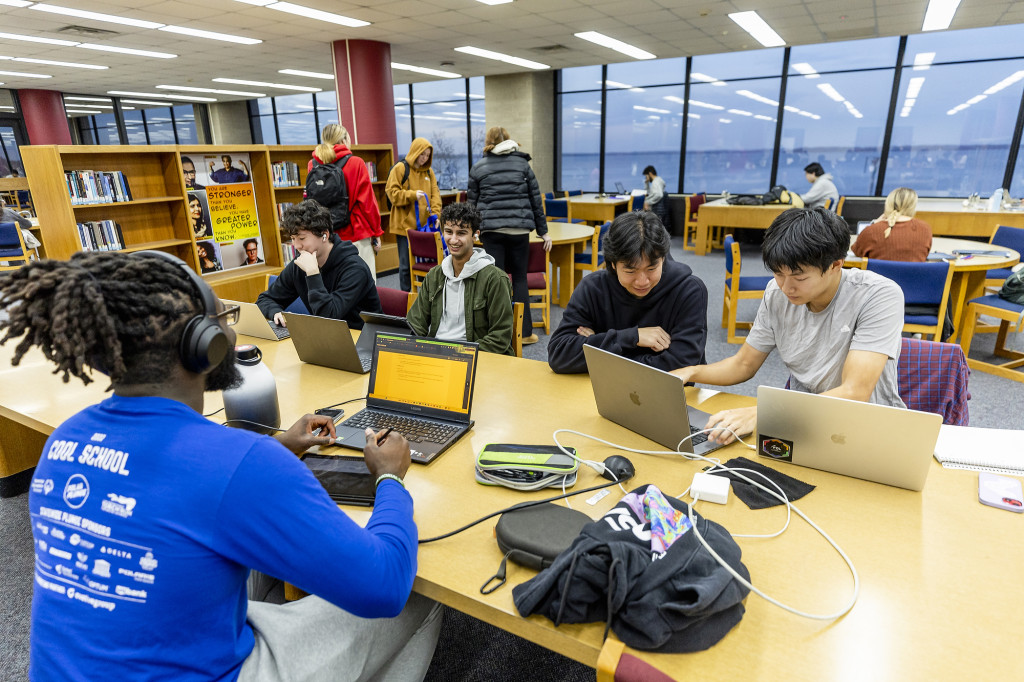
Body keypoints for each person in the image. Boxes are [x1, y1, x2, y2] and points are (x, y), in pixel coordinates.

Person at [0, 250, 441, 681]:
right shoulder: (238, 462)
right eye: (223, 320)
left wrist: (281, 447)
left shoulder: (65, 439)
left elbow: (179, 500)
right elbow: (383, 584)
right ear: (203, 345)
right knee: (417, 586)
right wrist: (389, 478)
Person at [671, 208, 905, 445]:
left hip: (864, 427)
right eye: (778, 273)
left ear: (836, 265)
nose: (786, 287)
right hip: (797, 423)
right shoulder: (776, 292)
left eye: (799, 278)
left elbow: (854, 392)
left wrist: (765, 413)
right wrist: (691, 371)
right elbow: (743, 364)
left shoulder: (877, 295)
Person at [548, 211, 708, 374]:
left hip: (668, 395)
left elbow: (685, 368)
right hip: (601, 391)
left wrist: (598, 347)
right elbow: (559, 355)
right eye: (630, 271)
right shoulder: (593, 288)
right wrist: (630, 337)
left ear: (663, 259)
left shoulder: (689, 291)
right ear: (612, 264)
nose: (642, 281)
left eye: (651, 268)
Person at [468, 126, 551, 345]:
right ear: (509, 140)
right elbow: (535, 199)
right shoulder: (523, 165)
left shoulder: (478, 167)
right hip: (519, 231)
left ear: (489, 142)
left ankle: (500, 334)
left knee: (497, 282)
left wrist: (470, 230)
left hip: (491, 232)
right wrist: (543, 232)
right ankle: (524, 334)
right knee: (520, 279)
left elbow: (471, 204)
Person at [407, 202, 514, 355]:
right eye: (449, 232)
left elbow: (500, 337)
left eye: (461, 233)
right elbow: (415, 324)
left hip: (475, 356)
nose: (453, 239)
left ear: (475, 235)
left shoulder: (495, 279)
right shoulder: (434, 276)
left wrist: (459, 353)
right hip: (437, 353)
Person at [257, 199, 381, 329]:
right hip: (330, 337)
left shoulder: (354, 269)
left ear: (324, 235)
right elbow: (265, 299)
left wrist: (313, 274)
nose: (297, 246)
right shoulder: (300, 263)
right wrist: (275, 312)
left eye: (302, 238)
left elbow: (329, 317)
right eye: (293, 239)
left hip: (364, 337)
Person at [309, 123, 384, 280]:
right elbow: (367, 203)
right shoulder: (356, 163)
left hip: (327, 237)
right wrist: (376, 232)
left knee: (336, 285)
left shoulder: (313, 164)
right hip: (356, 234)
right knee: (365, 285)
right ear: (344, 140)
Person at [385, 138, 441, 292]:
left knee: (426, 263)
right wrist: (411, 195)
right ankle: (406, 297)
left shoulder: (429, 172)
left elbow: (435, 194)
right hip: (404, 226)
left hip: (424, 227)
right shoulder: (400, 169)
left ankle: (425, 296)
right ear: (415, 152)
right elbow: (392, 194)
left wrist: (436, 215)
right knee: (405, 266)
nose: (424, 158)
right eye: (422, 154)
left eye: (427, 155)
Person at [851, 187, 932, 261]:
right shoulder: (925, 229)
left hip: (878, 277)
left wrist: (874, 224)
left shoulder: (871, 231)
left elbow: (856, 251)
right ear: (913, 206)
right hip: (913, 277)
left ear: (888, 204)